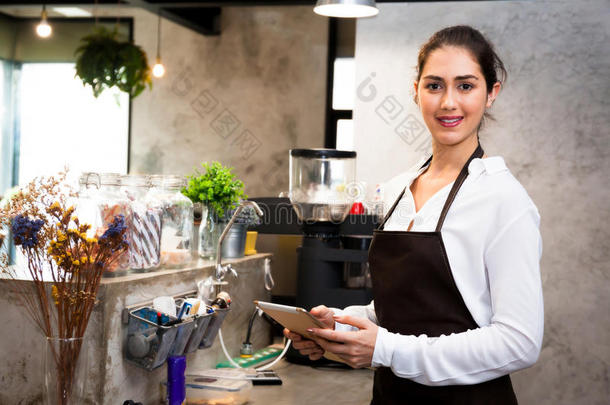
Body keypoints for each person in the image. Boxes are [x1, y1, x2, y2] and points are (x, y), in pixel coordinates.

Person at [284, 25, 543, 404]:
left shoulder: (504, 199)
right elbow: (401, 310)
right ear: (416, 91)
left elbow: (519, 342)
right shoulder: (396, 190)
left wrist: (385, 350)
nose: (448, 103)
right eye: (434, 85)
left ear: (491, 93)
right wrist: (339, 327)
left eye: (466, 86)